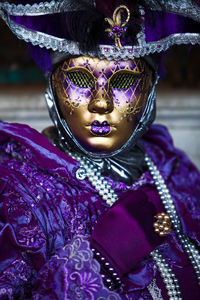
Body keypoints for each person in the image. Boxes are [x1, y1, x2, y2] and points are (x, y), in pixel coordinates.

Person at [0, 0, 200, 299]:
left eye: (124, 81)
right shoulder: (15, 194)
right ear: (52, 86)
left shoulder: (174, 170)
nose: (101, 103)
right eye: (80, 78)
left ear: (150, 91)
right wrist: (103, 260)